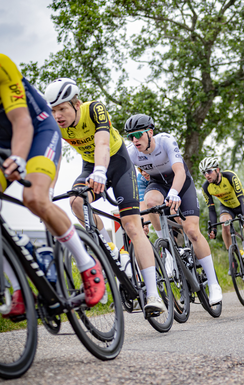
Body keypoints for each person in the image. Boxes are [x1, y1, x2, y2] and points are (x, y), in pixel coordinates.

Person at [44, 79, 165, 316]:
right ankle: (111, 250)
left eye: (62, 109)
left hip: (117, 164)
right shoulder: (55, 124)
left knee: (131, 225)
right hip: (90, 166)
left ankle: (153, 294)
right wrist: (47, 190)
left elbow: (102, 142)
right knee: (76, 202)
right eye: (53, 110)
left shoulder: (94, 109)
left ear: (76, 104)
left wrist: (101, 170)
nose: (57, 115)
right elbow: (54, 158)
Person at [0, 54, 105, 320]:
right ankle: (20, 288)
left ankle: (87, 264)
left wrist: (19, 158)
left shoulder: (2, 65)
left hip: (37, 131)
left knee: (34, 197)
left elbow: (22, 122)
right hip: (2, 143)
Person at [124, 114, 222, 306]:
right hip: (158, 184)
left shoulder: (165, 141)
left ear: (150, 132)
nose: (135, 140)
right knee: (150, 202)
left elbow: (179, 171)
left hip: (181, 184)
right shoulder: (132, 153)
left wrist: (175, 192)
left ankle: (213, 283)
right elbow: (128, 181)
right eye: (130, 136)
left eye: (138, 135)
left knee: (192, 231)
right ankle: (168, 250)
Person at [201, 157, 244, 288]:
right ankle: (233, 259)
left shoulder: (230, 176)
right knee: (224, 225)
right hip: (227, 208)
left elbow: (241, 197)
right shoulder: (206, 187)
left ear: (217, 170)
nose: (206, 175)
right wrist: (213, 229)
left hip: (242, 204)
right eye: (204, 173)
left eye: (209, 171)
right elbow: (211, 209)